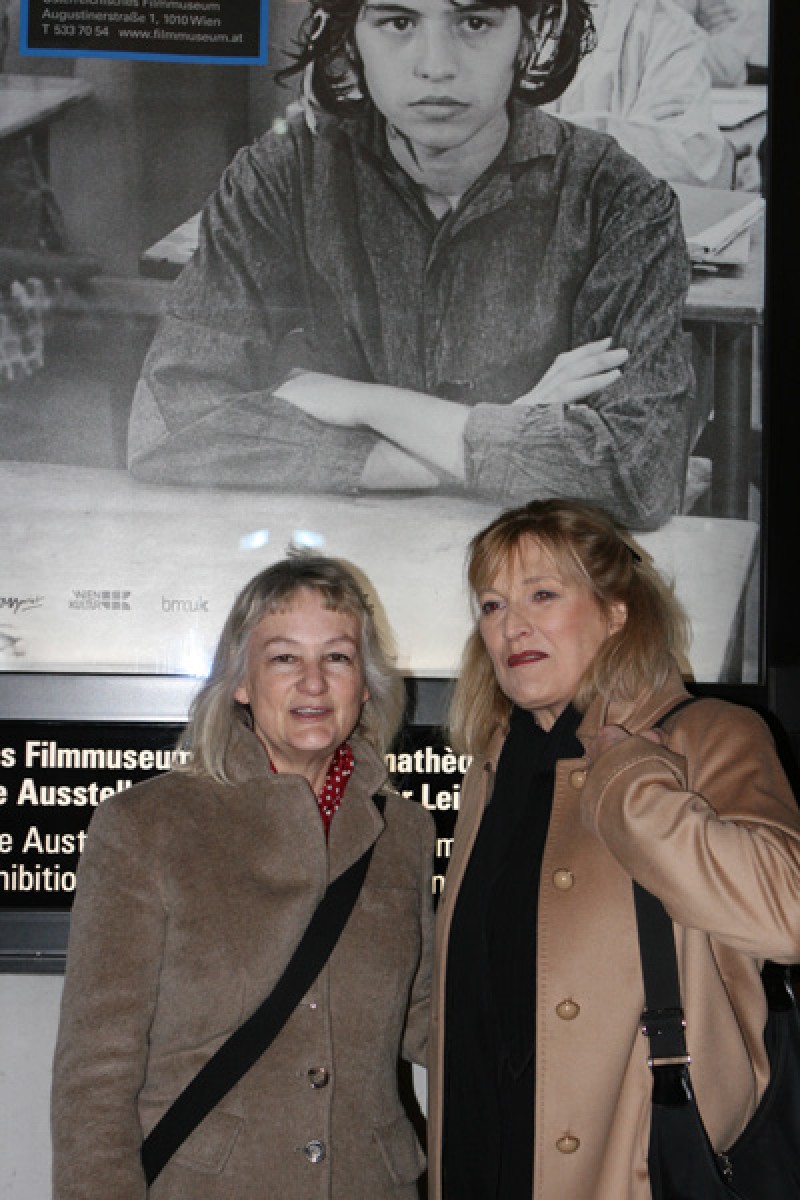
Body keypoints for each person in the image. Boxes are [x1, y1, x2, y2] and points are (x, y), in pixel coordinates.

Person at [128, 0, 694, 533]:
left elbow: (639, 474)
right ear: (350, 37)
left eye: (474, 23)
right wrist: (496, 438)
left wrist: (364, 403)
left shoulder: (618, 198)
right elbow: (167, 425)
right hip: (334, 558)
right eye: (398, 22)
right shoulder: (284, 175)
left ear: (529, 34)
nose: (436, 67)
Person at [427, 498, 800, 1200]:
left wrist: (629, 781)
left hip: (643, 1171)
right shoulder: (491, 770)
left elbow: (787, 914)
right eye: (492, 605)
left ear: (616, 612)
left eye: (543, 594)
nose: (513, 625)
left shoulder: (711, 735)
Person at [51, 554, 435, 1199]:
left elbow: (429, 1015)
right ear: (240, 683)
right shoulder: (148, 826)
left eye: (337, 659)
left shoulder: (405, 831)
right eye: (285, 658)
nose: (313, 684)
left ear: (365, 685)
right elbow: (97, 1067)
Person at [545, 0, 730, 186]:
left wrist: (559, 133)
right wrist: (630, 134)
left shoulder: (666, 26)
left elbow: (693, 155)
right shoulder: (525, 14)